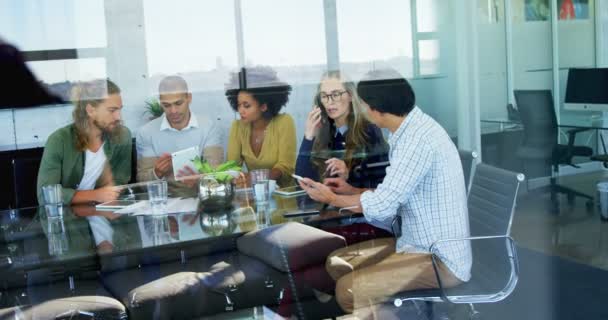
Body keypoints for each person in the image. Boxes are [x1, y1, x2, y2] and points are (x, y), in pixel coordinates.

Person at [298, 70, 472, 315]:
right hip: (413, 242)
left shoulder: (417, 141)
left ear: (377, 109)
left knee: (348, 289)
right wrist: (351, 190)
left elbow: (383, 206)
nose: (364, 111)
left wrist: (333, 198)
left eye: (366, 105)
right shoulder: (407, 131)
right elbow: (392, 194)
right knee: (337, 264)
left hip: (439, 257)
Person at [37, 79, 132, 205]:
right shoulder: (59, 141)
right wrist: (95, 195)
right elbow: (45, 195)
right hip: (68, 218)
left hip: (105, 213)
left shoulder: (123, 135)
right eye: (112, 110)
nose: (118, 117)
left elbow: (120, 182)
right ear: (90, 110)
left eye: (120, 110)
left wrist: (110, 191)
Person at [295, 70, 388, 188]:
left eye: (336, 95)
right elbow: (301, 181)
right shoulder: (324, 132)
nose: (330, 102)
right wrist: (308, 136)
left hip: (355, 204)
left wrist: (349, 175)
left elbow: (381, 184)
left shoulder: (369, 131)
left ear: (350, 96)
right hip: (328, 204)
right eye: (324, 96)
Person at [136, 75, 223, 195]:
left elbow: (217, 175)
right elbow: (142, 184)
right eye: (166, 105)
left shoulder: (208, 127)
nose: (173, 111)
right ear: (160, 103)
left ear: (189, 98)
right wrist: (157, 173)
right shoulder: (146, 132)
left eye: (178, 103)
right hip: (165, 202)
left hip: (202, 199)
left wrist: (198, 180)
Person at [225, 67, 296, 187]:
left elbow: (285, 167)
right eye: (239, 105)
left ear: (263, 106)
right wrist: (237, 179)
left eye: (246, 106)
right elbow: (232, 166)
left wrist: (256, 178)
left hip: (284, 195)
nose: (240, 110)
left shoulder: (284, 122)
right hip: (252, 196)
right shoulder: (237, 127)